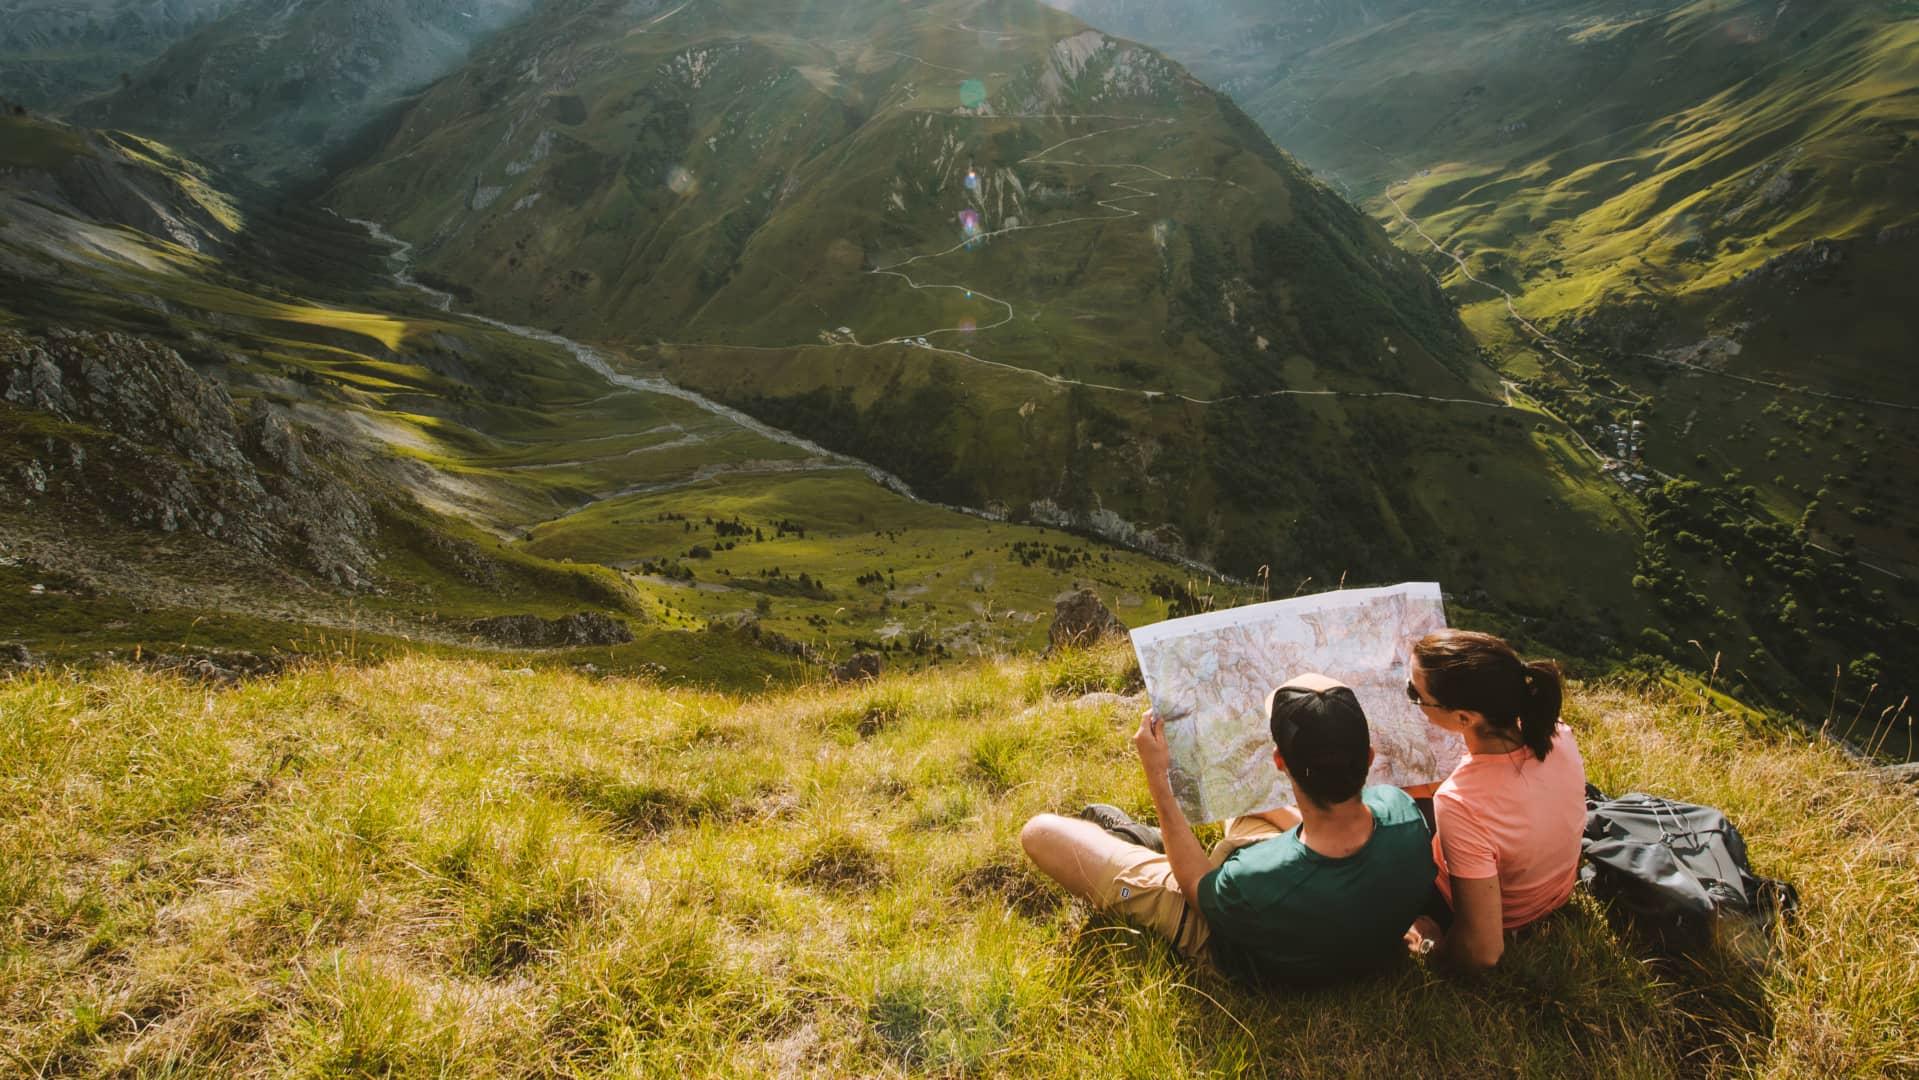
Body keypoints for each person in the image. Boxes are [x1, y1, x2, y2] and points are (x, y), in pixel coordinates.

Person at [1019, 673, 1436, 986]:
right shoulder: (1404, 815)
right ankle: (1155, 843)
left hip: (1236, 944)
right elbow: (1325, 837)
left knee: (1040, 833)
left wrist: (1158, 779)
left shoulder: (1254, 877)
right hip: (1327, 914)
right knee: (1252, 813)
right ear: (1368, 757)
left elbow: (1196, 885)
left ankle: (1140, 842)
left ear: (1280, 763)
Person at [1403, 630, 1587, 971]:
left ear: (1463, 718)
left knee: (1391, 823)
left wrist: (1430, 944)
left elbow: (1483, 952)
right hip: (1554, 893)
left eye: (1416, 694)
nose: (1412, 697)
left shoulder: (1460, 803)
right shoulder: (1558, 733)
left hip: (1503, 916)